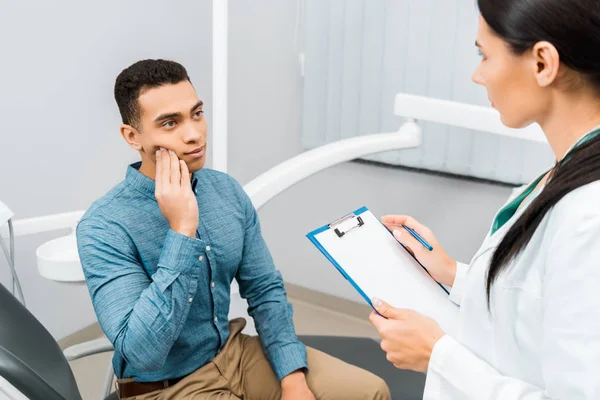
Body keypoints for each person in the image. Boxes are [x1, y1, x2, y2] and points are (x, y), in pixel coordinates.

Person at [76, 59, 390, 400]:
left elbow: (265, 289)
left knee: (370, 392)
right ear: (133, 136)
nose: (194, 133)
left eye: (197, 113)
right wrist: (182, 230)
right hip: (164, 387)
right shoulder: (103, 226)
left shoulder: (225, 191)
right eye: (170, 123)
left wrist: (292, 378)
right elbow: (144, 353)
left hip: (234, 356)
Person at [368, 0, 600, 398]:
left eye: (484, 55)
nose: (478, 75)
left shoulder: (588, 216)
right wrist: (452, 274)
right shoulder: (569, 170)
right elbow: (533, 309)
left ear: (543, 63)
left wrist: (436, 355)